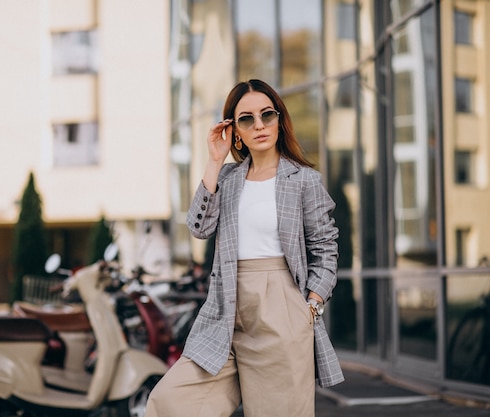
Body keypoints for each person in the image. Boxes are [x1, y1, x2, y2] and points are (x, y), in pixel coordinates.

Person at [145, 79, 344, 417]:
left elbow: (326, 250)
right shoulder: (227, 178)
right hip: (225, 311)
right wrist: (213, 161)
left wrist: (310, 306)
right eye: (247, 119)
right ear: (235, 130)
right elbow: (198, 227)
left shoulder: (304, 180)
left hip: (282, 313)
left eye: (267, 114)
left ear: (279, 120)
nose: (259, 125)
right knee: (170, 403)